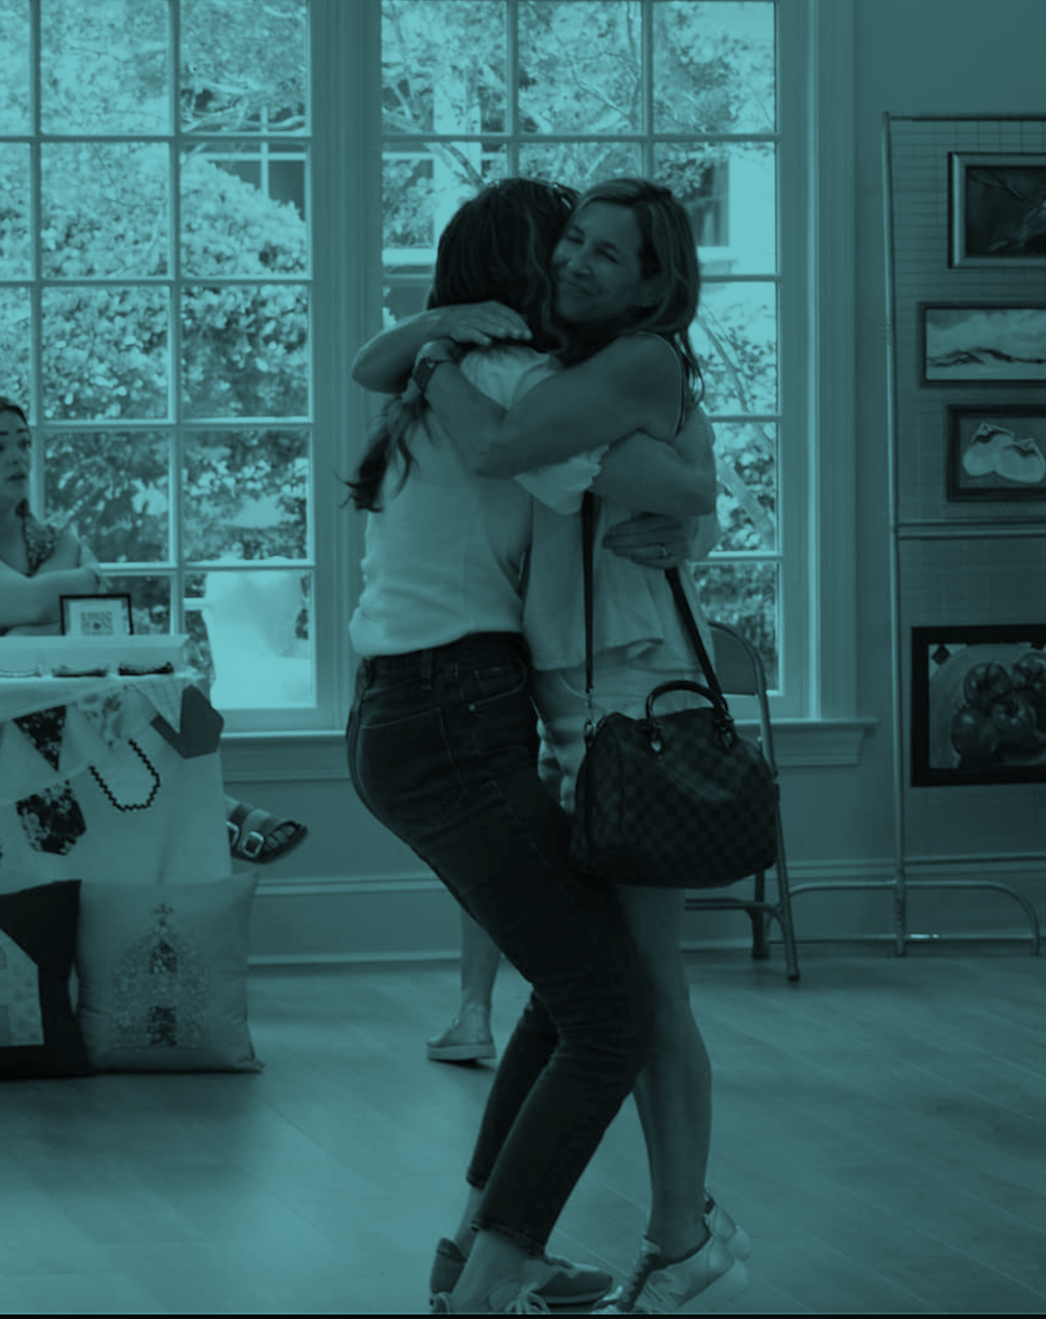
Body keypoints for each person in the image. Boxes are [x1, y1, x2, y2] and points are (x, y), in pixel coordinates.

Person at [360, 177, 746, 1316]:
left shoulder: (517, 381)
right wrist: (431, 348)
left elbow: (671, 486)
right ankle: (522, 1262)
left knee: (602, 996)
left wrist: (423, 350)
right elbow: (653, 480)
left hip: (534, 704)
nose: (573, 266)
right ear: (521, 275)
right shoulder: (518, 380)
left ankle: (523, 1251)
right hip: (492, 706)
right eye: (563, 244)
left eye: (599, 250)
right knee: (617, 1002)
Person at [0, 392, 311, 866]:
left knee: (130, 692)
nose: (18, 455)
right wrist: (74, 580)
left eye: (23, 443)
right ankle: (214, 814)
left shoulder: (48, 539)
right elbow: (23, 602)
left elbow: (44, 633)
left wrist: (39, 616)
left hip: (36, 724)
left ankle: (203, 814)